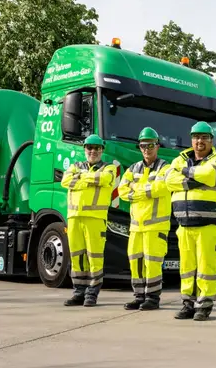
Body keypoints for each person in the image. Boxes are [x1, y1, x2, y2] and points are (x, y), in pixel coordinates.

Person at [165, 122, 216, 321]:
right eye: (196, 137)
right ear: (191, 139)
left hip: (208, 225)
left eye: (204, 137)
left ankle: (204, 305)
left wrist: (184, 174)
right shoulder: (181, 159)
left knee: (206, 268)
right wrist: (193, 178)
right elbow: (168, 179)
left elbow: (210, 174)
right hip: (184, 225)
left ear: (212, 141)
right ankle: (187, 304)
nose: (199, 141)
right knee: (186, 268)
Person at [61, 134, 120, 307]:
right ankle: (79, 292)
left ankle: (92, 293)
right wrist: (89, 180)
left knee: (95, 257)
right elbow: (65, 181)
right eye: (89, 148)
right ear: (84, 149)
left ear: (102, 150)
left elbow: (104, 179)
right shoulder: (75, 166)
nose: (93, 151)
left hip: (95, 219)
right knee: (77, 257)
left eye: (96, 148)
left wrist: (80, 178)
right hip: (74, 218)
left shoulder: (108, 168)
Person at [119, 127, 172, 311]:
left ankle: (152, 297)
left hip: (156, 226)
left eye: (151, 145)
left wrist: (138, 190)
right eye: (143, 146)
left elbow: (163, 187)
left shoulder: (166, 167)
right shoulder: (133, 168)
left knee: (153, 263)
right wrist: (147, 191)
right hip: (136, 227)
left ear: (157, 146)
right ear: (139, 147)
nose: (147, 149)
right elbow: (122, 191)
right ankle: (139, 296)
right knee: (136, 261)